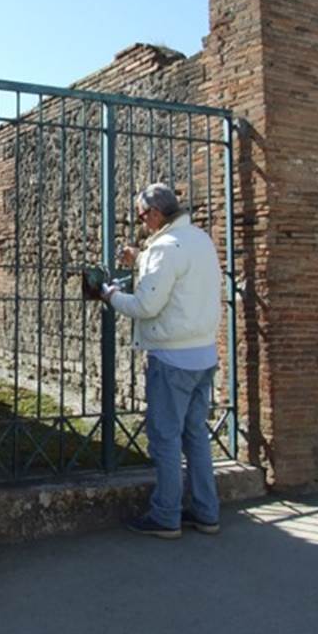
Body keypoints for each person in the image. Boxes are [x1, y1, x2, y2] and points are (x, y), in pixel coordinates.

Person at [103, 183, 222, 539]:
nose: (141, 223)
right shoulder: (201, 240)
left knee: (165, 438)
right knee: (196, 435)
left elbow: (145, 306)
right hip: (204, 353)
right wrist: (139, 259)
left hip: (172, 358)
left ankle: (166, 515)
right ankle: (207, 512)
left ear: (155, 214)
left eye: (142, 216)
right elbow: (180, 275)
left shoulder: (165, 249)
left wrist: (110, 295)